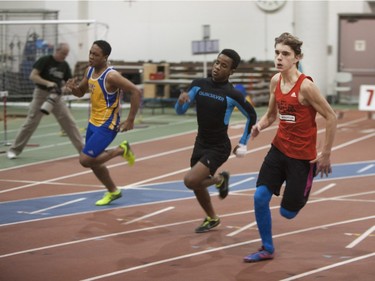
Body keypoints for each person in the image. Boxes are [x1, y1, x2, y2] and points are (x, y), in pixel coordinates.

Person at [243, 32, 337, 262]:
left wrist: (325, 154)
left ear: (296, 58)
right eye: (277, 53)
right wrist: (260, 126)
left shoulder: (306, 87)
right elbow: (272, 115)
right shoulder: (276, 81)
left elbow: (331, 117)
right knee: (259, 197)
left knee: (288, 213)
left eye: (285, 54)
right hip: (279, 149)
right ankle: (267, 248)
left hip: (302, 158)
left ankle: (306, 181)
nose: (279, 58)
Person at [175, 49, 257, 233]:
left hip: (218, 147)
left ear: (231, 71)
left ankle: (220, 179)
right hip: (200, 143)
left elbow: (252, 116)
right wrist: (181, 102)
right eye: (217, 62)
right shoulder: (198, 84)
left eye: (224, 66)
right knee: (197, 185)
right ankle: (212, 218)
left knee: (190, 181)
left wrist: (243, 142)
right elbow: (180, 111)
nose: (217, 68)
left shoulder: (233, 94)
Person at [65, 40, 141, 206]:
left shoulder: (112, 76)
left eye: (95, 54)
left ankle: (122, 150)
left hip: (108, 124)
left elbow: (136, 91)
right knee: (94, 162)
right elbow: (80, 93)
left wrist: (130, 119)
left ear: (105, 57)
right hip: (93, 123)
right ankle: (113, 191)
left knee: (85, 160)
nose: (91, 57)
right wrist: (73, 88)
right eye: (90, 53)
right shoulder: (89, 70)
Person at [7, 43, 83, 159]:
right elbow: (33, 76)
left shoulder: (64, 65)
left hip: (56, 97)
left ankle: (83, 150)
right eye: (63, 53)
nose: (64, 56)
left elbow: (69, 83)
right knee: (31, 122)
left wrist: (63, 89)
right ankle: (14, 149)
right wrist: (48, 83)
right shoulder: (45, 60)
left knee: (69, 122)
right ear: (57, 50)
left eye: (66, 54)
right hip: (41, 94)